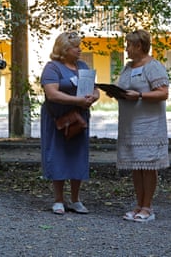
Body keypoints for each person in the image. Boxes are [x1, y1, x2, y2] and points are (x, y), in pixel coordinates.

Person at [111, 29, 169, 222]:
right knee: (136, 165)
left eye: (128, 45)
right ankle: (138, 205)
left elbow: (163, 93)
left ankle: (148, 207)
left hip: (149, 126)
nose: (126, 49)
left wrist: (141, 95)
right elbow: (125, 88)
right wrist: (116, 92)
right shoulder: (128, 67)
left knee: (148, 165)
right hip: (130, 125)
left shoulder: (153, 66)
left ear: (139, 46)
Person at [40, 32, 99, 215]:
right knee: (57, 154)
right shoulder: (52, 68)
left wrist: (93, 97)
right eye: (75, 47)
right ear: (64, 49)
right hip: (57, 119)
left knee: (77, 155)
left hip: (79, 119)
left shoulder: (82, 66)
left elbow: (95, 89)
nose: (79, 50)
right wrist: (77, 101)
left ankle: (75, 199)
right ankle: (58, 200)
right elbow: (52, 94)